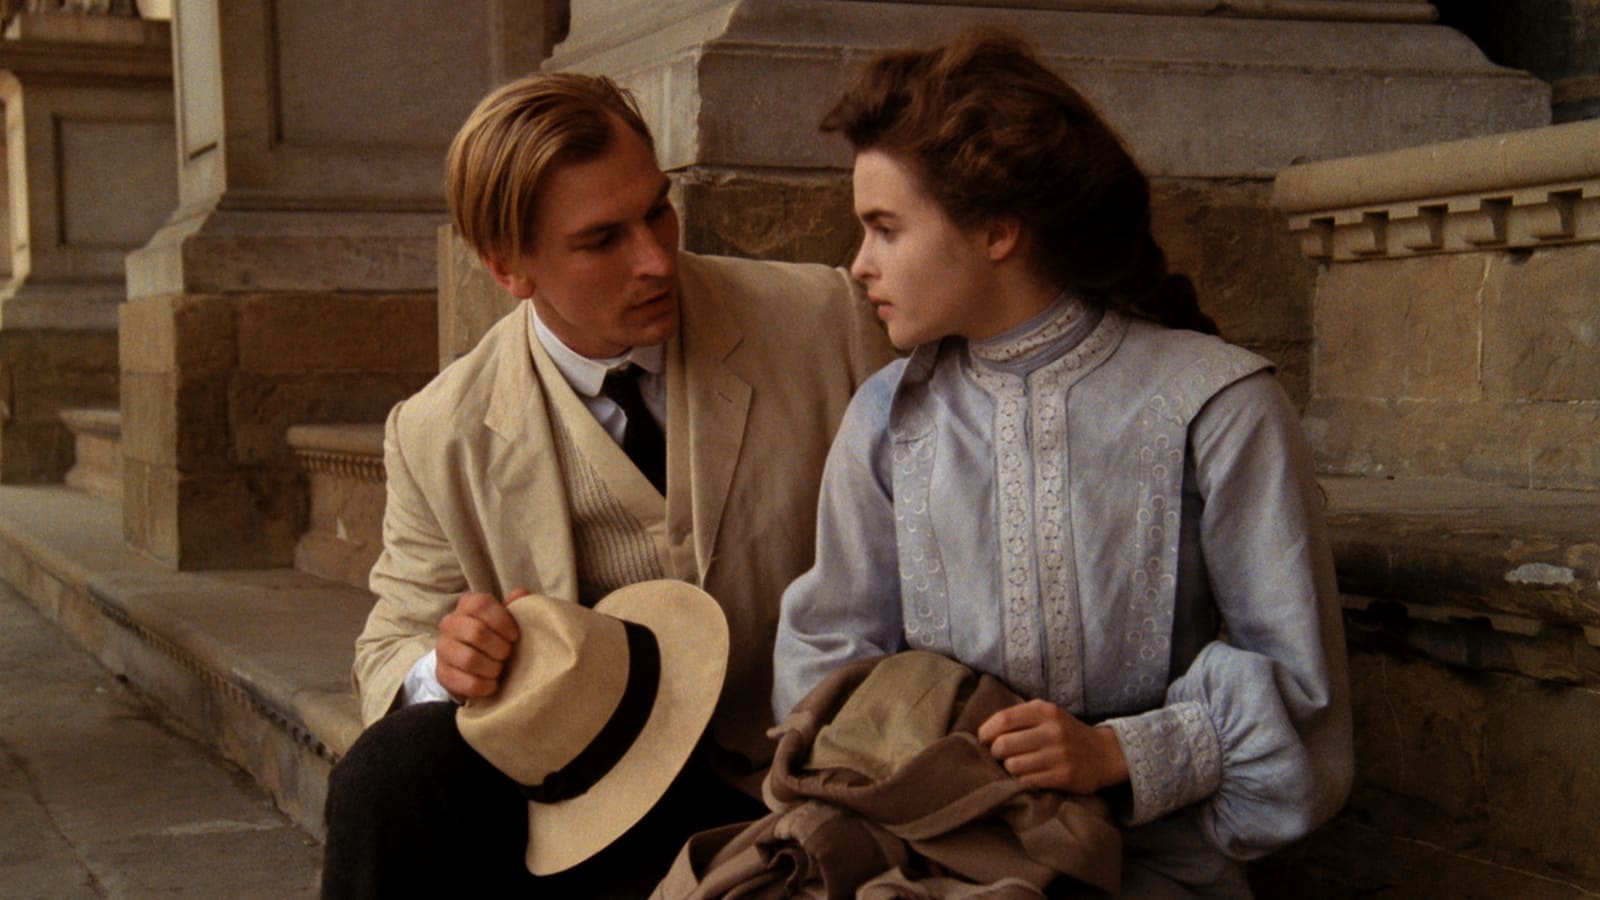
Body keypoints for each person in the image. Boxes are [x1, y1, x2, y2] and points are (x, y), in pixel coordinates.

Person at [771, 30, 1353, 897]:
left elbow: (1306, 698)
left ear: (999, 229)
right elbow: (827, 660)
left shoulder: (1216, 404)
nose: (859, 265)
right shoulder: (887, 416)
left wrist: (1115, 752)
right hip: (934, 853)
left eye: (885, 228)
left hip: (1158, 862)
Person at [320, 71, 895, 897]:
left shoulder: (823, 321)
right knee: (390, 774)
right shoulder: (437, 428)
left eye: (657, 209)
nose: (656, 259)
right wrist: (446, 666)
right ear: (509, 268)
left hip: (799, 783)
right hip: (581, 813)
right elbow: (387, 648)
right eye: (602, 241)